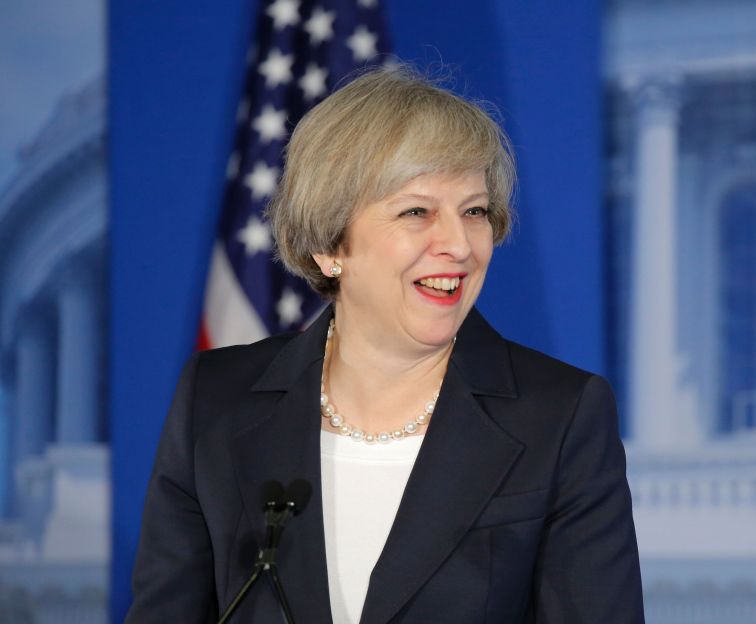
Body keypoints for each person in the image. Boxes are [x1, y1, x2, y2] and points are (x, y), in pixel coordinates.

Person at [126, 66, 644, 623]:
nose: (458, 245)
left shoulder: (559, 416)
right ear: (330, 246)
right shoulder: (216, 401)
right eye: (416, 212)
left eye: (474, 212)